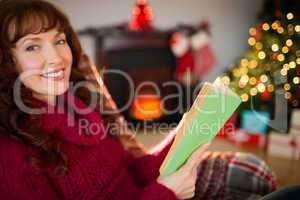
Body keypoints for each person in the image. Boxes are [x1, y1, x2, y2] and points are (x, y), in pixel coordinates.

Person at [0, 0, 277, 199]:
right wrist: (165, 193)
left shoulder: (81, 105)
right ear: (6, 61)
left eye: (59, 41)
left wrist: (186, 131)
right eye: (32, 46)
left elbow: (132, 169)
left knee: (259, 174)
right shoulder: (11, 155)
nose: (56, 58)